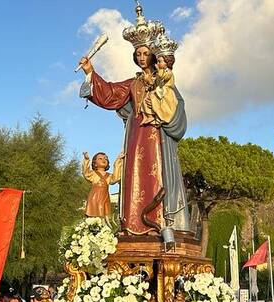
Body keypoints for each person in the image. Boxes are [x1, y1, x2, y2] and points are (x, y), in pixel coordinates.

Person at [78, 8, 190, 236]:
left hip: (156, 137)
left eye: (144, 53)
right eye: (137, 54)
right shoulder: (133, 83)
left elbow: (174, 105)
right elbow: (109, 92)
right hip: (135, 135)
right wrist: (90, 72)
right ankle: (134, 225)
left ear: (153, 54)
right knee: (134, 176)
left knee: (157, 175)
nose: (141, 57)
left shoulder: (164, 79)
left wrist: (163, 117)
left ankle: (161, 223)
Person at [82, 152, 123, 218]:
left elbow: (115, 178)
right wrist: (86, 160)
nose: (103, 160)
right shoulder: (93, 174)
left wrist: (118, 161)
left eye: (105, 159)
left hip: (104, 197)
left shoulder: (109, 176)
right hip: (94, 197)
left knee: (104, 215)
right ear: (95, 163)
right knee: (93, 215)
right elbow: (86, 173)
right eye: (100, 159)